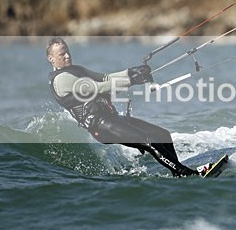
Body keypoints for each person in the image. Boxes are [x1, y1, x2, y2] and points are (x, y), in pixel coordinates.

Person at [46, 37, 206, 177]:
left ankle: (176, 172)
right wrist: (133, 81)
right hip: (101, 126)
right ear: (51, 59)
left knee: (162, 134)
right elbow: (99, 87)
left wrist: (130, 72)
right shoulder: (61, 80)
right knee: (148, 141)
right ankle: (183, 173)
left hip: (112, 118)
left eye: (67, 51)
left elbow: (105, 77)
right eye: (62, 54)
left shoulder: (76, 70)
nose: (67, 56)